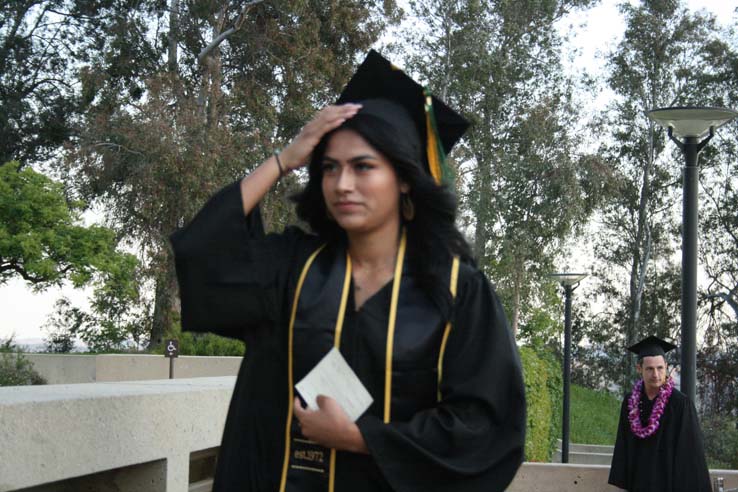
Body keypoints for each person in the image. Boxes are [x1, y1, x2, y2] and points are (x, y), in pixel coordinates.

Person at [171, 50, 526, 492]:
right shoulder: (293, 270)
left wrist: (361, 438)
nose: (342, 184)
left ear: (404, 178)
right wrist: (285, 160)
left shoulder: (456, 291)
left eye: (363, 167)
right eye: (329, 168)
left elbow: (485, 429)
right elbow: (204, 255)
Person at [608, 335, 712, 491]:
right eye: (649, 369)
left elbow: (690, 454)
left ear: (666, 366)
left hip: (669, 484)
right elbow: (624, 445)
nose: (655, 374)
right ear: (639, 369)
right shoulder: (631, 402)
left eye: (660, 368)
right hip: (639, 483)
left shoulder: (681, 404)